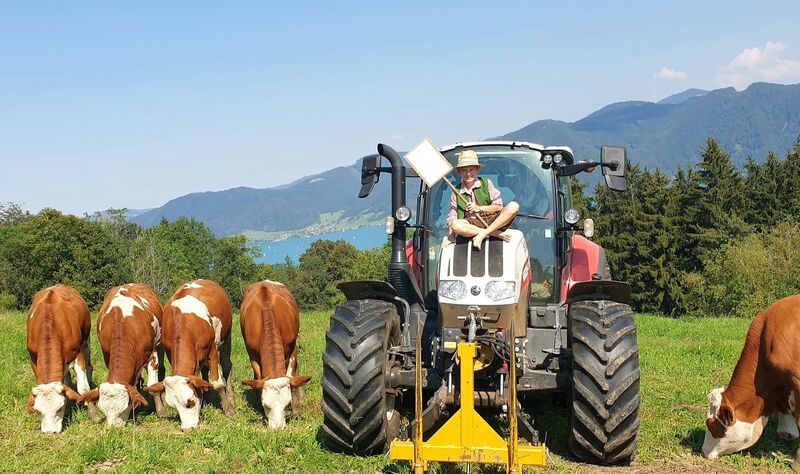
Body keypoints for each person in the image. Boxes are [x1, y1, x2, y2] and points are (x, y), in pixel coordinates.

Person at [444, 150, 519, 250]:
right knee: (455, 224)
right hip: (472, 225)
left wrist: (479, 208)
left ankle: (484, 233)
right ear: (459, 172)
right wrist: (451, 237)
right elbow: (452, 216)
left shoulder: (486, 183)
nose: (468, 174)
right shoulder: (456, 191)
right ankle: (495, 234)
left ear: (477, 170)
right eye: (464, 170)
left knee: (514, 206)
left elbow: (499, 206)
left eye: (471, 170)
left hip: (492, 220)